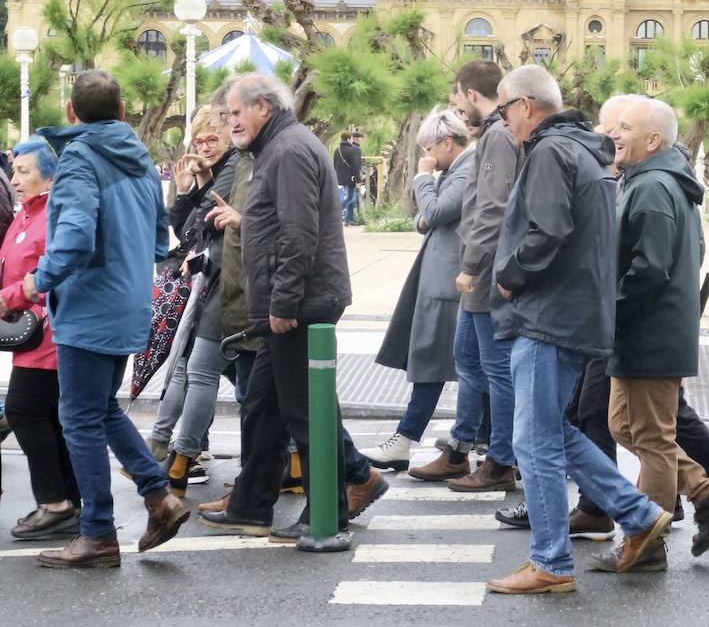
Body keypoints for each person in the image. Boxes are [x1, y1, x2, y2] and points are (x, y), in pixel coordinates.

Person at [486, 65, 672, 594]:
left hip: (548, 316)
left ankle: (551, 563)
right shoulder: (582, 150)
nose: (503, 122)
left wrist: (508, 275)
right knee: (553, 433)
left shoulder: (549, 151)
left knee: (534, 439)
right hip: (574, 313)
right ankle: (637, 514)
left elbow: (549, 230)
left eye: (503, 111)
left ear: (525, 105)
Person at [200, 75, 381, 543]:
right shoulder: (276, 147)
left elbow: (298, 235)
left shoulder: (288, 150)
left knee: (306, 411)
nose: (229, 122)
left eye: (235, 113)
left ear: (262, 106)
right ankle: (251, 505)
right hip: (291, 302)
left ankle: (328, 516)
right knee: (263, 405)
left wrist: (282, 302)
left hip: (301, 304)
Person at [27, 70, 188, 568]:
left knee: (77, 417)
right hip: (128, 302)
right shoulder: (140, 160)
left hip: (89, 307)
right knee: (99, 409)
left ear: (71, 115)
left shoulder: (78, 158)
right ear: (123, 113)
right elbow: (162, 237)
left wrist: (37, 281)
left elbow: (73, 238)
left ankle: (97, 533)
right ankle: (159, 494)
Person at [597, 97, 709, 571]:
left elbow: (650, 269)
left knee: (654, 441)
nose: (614, 133)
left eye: (624, 127)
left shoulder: (653, 187)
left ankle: (646, 544)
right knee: (626, 427)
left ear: (653, 140)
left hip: (648, 334)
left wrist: (608, 310)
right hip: (649, 331)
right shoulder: (651, 181)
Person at [364, 110, 474, 471]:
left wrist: (423, 177)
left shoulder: (467, 166)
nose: (427, 156)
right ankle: (471, 440)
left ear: (446, 142)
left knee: (432, 364)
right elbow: (425, 218)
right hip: (441, 280)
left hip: (448, 284)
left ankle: (408, 437)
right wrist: (428, 208)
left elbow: (436, 210)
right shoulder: (456, 170)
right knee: (448, 365)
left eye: (429, 147)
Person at [148, 104, 239, 494]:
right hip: (212, 283)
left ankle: (178, 456)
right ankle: (173, 451)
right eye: (199, 141)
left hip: (228, 284)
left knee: (201, 369)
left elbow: (197, 225)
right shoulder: (221, 169)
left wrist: (200, 190)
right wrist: (192, 186)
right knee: (200, 369)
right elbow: (184, 221)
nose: (205, 147)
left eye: (211, 138)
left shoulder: (236, 164)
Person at [445, 60, 521, 491]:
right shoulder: (495, 133)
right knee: (470, 359)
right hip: (484, 266)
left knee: (493, 367)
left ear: (472, 94)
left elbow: (493, 206)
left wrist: (471, 264)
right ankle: (464, 446)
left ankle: (500, 459)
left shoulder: (496, 135)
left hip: (487, 269)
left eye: (458, 98)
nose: (456, 107)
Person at [5, 139, 81, 540]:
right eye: (15, 170)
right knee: (50, 417)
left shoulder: (51, 213)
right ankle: (68, 500)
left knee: (23, 409)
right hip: (32, 329)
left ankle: (55, 503)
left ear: (48, 175)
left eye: (24, 172)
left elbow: (53, 272)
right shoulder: (27, 213)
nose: (15, 179)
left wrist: (12, 298)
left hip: (48, 330)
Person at [333, 131, 364, 226]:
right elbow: (355, 167)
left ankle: (348, 220)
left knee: (351, 198)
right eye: (351, 139)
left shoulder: (337, 150)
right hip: (351, 178)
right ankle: (335, 214)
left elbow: (334, 164)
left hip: (340, 177)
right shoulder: (352, 150)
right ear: (348, 139)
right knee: (350, 198)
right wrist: (358, 180)